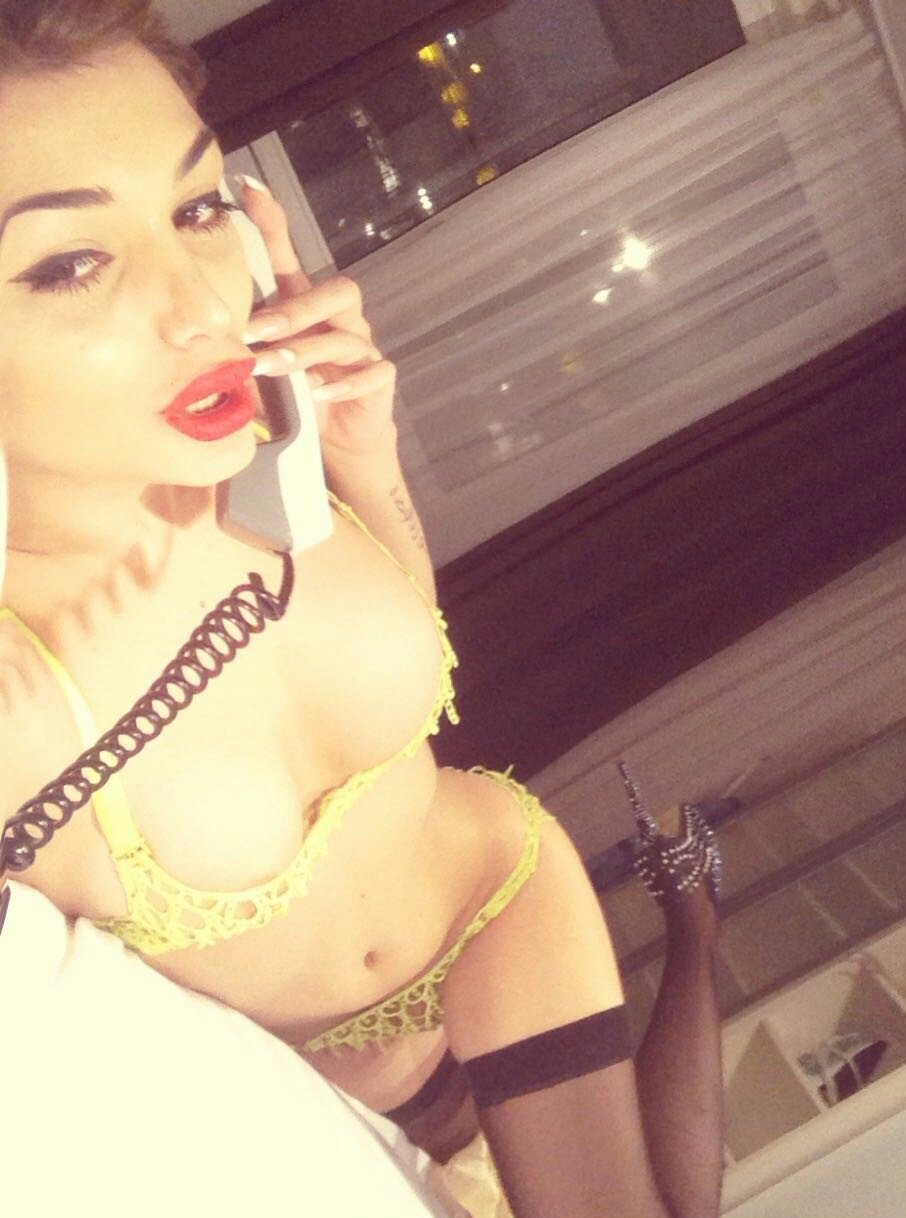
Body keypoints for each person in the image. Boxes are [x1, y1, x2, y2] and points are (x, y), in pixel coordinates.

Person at [0, 3, 724, 1215]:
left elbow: (398, 675)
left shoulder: (252, 447)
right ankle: (697, 918)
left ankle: (696, 923)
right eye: (71, 263)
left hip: (499, 904)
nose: (203, 306)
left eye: (198, 210)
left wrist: (361, 453)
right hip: (316, 1100)